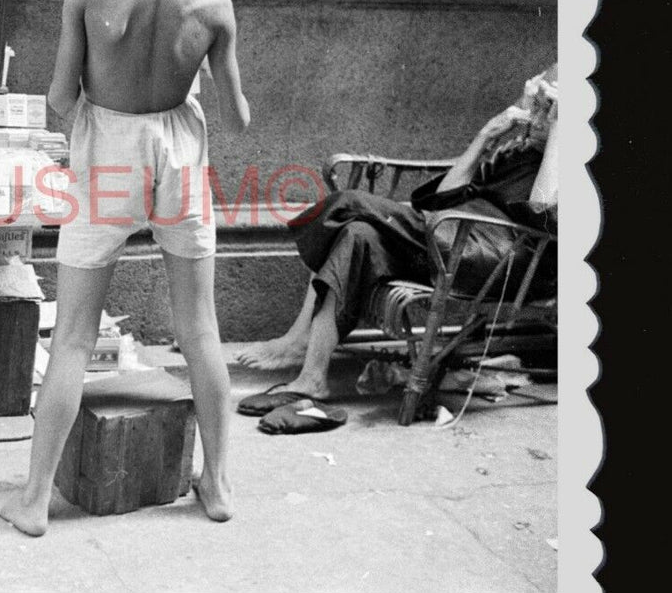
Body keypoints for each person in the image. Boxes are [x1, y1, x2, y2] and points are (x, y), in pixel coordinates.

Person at [0, 0, 251, 536]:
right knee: (200, 330)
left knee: (71, 335)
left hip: (108, 145)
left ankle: (36, 499)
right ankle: (216, 484)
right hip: (179, 154)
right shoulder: (212, 5)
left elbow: (57, 96)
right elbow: (237, 115)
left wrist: (92, 134)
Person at [228, 68, 559, 414]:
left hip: (495, 260)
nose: (536, 114)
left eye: (546, 106)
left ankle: (297, 339)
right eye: (536, 103)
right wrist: (486, 134)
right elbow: (440, 200)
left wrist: (559, 132)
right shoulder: (516, 155)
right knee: (356, 234)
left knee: (349, 204)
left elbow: (543, 211)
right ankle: (312, 376)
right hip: (449, 239)